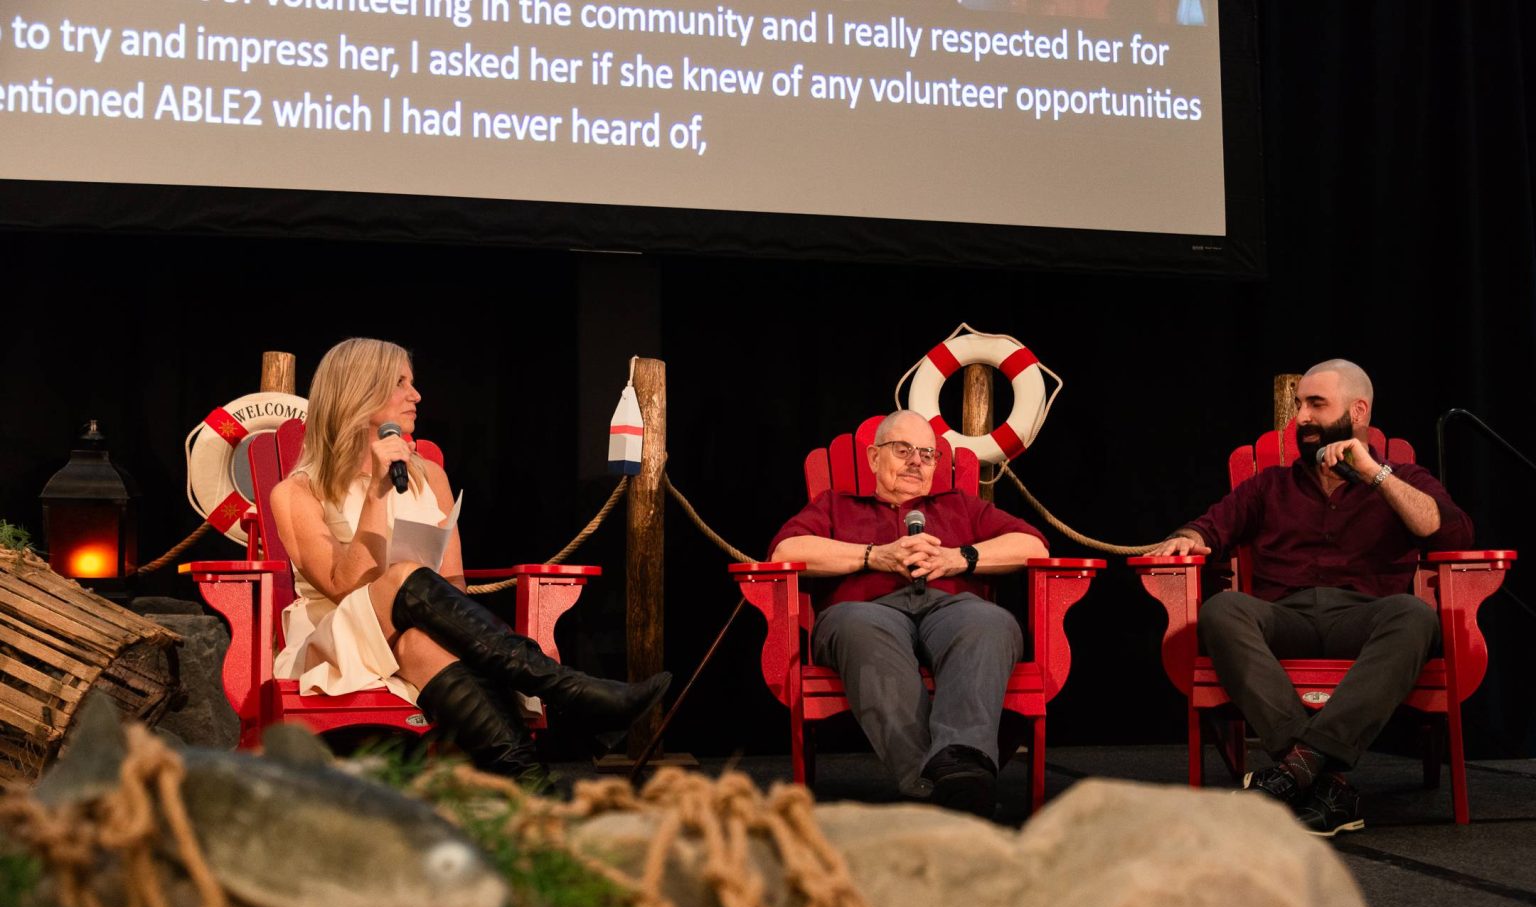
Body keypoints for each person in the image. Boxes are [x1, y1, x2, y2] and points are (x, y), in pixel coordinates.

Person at [270, 337, 669, 781]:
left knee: (418, 642)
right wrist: (378, 493)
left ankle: (531, 784)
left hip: (411, 637)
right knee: (404, 575)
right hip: (337, 641)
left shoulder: (430, 477)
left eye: (412, 382)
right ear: (359, 393)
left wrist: (423, 607)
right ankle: (568, 690)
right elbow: (342, 585)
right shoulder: (297, 492)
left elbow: (453, 583)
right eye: (400, 383)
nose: (416, 395)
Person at [1149, 359, 1474, 836]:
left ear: (1358, 411)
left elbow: (1453, 537)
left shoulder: (1403, 478)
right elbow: (1208, 527)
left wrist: (1375, 473)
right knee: (1222, 609)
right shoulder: (1270, 485)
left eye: (1316, 404)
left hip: (1365, 621)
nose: (1300, 417)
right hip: (1284, 619)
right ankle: (1320, 777)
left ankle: (1294, 771)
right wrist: (1188, 539)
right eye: (1300, 404)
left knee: (1414, 615)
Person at [767, 410, 1050, 816]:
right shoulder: (836, 506)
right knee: (857, 627)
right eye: (902, 450)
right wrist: (875, 556)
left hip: (953, 608)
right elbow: (786, 551)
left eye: (927, 454)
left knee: (990, 621)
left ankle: (958, 762)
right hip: (866, 611)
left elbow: (1033, 546)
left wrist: (958, 558)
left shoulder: (960, 506)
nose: (916, 461)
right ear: (873, 457)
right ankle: (948, 786)